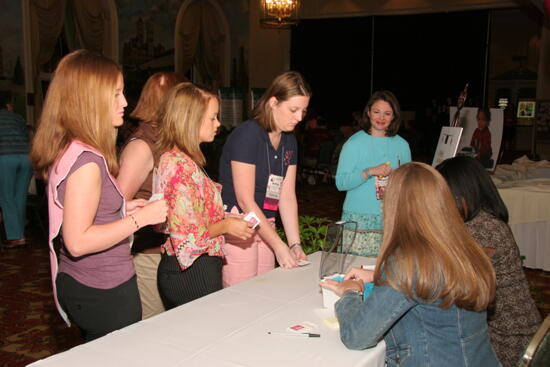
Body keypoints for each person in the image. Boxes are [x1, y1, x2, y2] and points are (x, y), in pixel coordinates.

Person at [29, 50, 168, 341]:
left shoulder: (73, 148)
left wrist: (121, 208)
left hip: (86, 282)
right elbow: (78, 242)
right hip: (102, 288)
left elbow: (80, 210)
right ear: (91, 99)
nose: (125, 103)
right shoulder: (87, 162)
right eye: (116, 94)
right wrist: (140, 219)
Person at [321, 162, 500, 367]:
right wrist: (379, 276)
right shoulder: (466, 248)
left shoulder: (408, 263)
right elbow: (434, 284)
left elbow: (356, 336)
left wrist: (349, 293)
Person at [155, 83, 255, 308]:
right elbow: (186, 239)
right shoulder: (178, 166)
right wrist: (227, 226)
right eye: (212, 118)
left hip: (197, 268)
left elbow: (196, 218)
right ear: (191, 120)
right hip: (190, 272)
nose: (218, 123)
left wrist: (226, 219)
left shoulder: (185, 160)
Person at [436, 156, 541, 367]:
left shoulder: (482, 230)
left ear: (462, 193)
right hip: (511, 333)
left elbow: (453, 284)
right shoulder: (484, 220)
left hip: (506, 343)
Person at [218, 71, 309, 287]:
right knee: (241, 296)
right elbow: (245, 200)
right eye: (293, 110)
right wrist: (278, 245)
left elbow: (286, 196)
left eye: (303, 111)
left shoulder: (289, 141)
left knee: (264, 292)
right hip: (240, 222)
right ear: (273, 102)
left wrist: (294, 243)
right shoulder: (248, 135)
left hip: (266, 222)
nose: (299, 118)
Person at [117, 72, 185, 319]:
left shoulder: (167, 140)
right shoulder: (141, 146)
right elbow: (117, 205)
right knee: (151, 326)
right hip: (147, 254)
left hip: (169, 252)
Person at [335, 90, 411, 256]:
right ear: (368, 112)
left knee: (387, 272)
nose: (381, 118)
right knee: (355, 272)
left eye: (387, 113)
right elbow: (341, 183)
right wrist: (369, 172)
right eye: (377, 112)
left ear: (394, 117)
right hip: (358, 218)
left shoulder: (402, 145)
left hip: (391, 217)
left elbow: (409, 184)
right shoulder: (354, 143)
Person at [0, 90, 33, 249]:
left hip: (5, 157)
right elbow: (27, 137)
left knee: (7, 198)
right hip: (26, 158)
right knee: (20, 197)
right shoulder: (18, 117)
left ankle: (16, 236)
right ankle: (20, 234)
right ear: (8, 105)